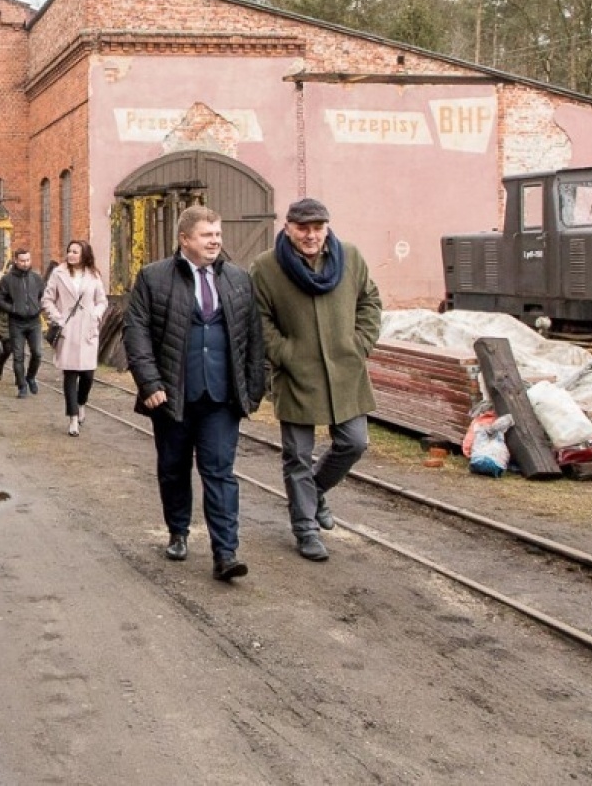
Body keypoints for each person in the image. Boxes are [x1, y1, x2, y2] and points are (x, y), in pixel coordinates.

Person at [123, 206, 266, 582]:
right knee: (173, 468)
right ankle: (178, 531)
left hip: (221, 397)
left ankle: (226, 553)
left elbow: (254, 335)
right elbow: (136, 333)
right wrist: (150, 383)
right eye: (207, 235)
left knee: (219, 472)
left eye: (217, 234)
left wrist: (253, 388)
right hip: (172, 396)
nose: (215, 241)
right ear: (184, 239)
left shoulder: (238, 279)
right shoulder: (154, 277)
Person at [251, 197, 382, 563]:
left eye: (317, 228)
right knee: (297, 455)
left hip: (345, 370)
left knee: (354, 443)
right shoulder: (266, 267)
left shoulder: (350, 257)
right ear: (288, 228)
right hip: (297, 374)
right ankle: (305, 529)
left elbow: (370, 302)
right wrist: (285, 354)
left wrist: (359, 344)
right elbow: (259, 320)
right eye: (303, 228)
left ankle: (316, 491)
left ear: (327, 227)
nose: (311, 235)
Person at [41, 240, 109, 437]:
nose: (70, 254)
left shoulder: (93, 275)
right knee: (70, 374)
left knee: (87, 374)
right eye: (69, 251)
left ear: (84, 255)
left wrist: (96, 315)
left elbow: (102, 301)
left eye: (75, 252)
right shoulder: (59, 273)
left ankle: (81, 403)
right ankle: (72, 418)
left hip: (88, 329)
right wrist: (58, 317)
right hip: (67, 329)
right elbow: (47, 299)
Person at [0, 248, 45, 398]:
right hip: (16, 322)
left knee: (37, 353)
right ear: (16, 260)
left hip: (34, 321)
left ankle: (30, 377)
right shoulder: (7, 280)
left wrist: (39, 307)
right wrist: (13, 309)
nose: (25, 263)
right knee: (18, 355)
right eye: (22, 261)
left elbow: (43, 295)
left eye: (27, 260)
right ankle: (22, 386)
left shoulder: (36, 278)